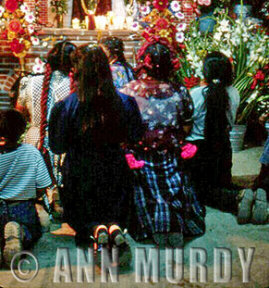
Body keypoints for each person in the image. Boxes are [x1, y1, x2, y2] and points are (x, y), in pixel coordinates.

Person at [49, 45, 143, 260]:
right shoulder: (126, 102)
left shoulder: (65, 106)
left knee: (84, 207)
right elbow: (136, 136)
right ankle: (114, 228)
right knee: (114, 204)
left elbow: (57, 146)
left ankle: (95, 229)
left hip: (80, 173)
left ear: (77, 71)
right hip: (115, 171)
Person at [121, 40, 206, 247]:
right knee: (173, 185)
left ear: (144, 62)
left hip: (140, 155)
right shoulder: (179, 90)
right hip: (171, 155)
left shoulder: (128, 91)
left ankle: (153, 225)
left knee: (146, 186)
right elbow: (187, 121)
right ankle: (175, 223)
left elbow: (122, 125)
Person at [185, 51, 241, 211]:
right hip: (223, 150)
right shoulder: (233, 93)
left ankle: (234, 200)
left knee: (200, 193)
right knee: (220, 185)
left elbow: (187, 124)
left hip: (198, 153)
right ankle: (236, 195)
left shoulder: (196, 94)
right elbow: (230, 122)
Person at [16, 40, 76, 184]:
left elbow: (19, 113)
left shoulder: (30, 82)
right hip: (62, 146)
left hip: (34, 143)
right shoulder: (74, 86)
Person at [0, 109, 52, 266]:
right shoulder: (31, 152)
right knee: (34, 231)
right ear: (21, 131)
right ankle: (21, 233)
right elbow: (43, 186)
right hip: (21, 207)